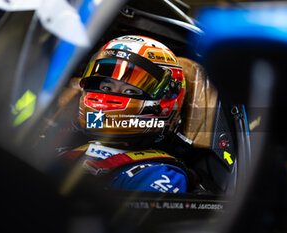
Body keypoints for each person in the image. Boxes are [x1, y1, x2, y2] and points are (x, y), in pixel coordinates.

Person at [57, 35, 195, 194]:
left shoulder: (157, 175)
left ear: (165, 99)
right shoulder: (72, 149)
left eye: (130, 90)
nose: (111, 96)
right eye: (107, 88)